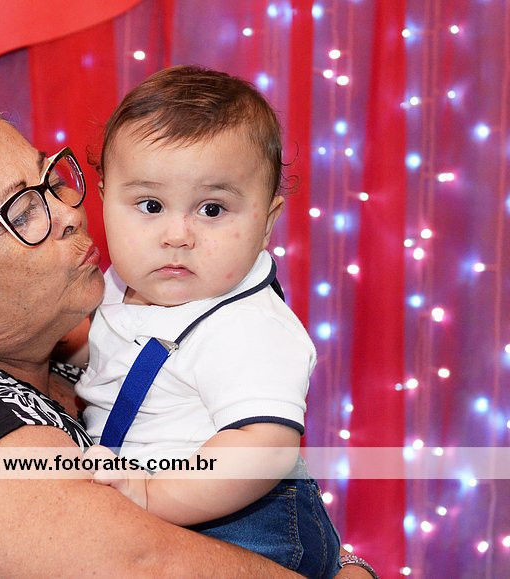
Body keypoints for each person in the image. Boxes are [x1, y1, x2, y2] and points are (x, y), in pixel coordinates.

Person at [0, 91, 374, 578]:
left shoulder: (80, 357)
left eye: (50, 180)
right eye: (20, 212)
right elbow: (143, 564)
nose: (67, 212)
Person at [75, 66, 345, 579]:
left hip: (244, 525)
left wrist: (152, 496)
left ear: (266, 222)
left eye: (213, 210)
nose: (177, 234)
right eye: (150, 205)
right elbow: (105, 344)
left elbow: (264, 448)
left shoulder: (248, 327)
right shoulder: (122, 282)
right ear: (106, 200)